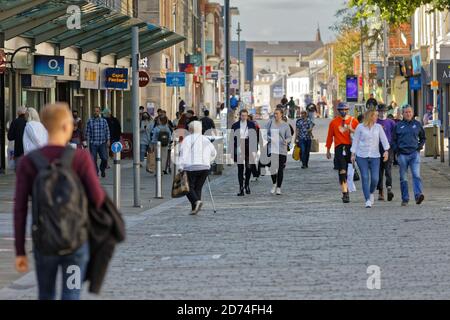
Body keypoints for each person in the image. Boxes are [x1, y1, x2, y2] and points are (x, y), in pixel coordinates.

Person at [14, 102, 105, 300]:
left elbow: (20, 209)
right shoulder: (80, 158)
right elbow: (97, 198)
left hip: (44, 242)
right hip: (75, 243)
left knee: (46, 293)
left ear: (44, 126)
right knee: (71, 293)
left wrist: (20, 251)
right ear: (67, 126)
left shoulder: (28, 162)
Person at [350, 109, 390, 208]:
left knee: (375, 179)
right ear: (370, 116)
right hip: (361, 156)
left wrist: (386, 151)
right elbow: (355, 141)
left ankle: (371, 192)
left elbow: (384, 140)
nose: (377, 117)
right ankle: (367, 199)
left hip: (375, 156)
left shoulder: (378, 127)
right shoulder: (360, 127)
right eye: (375, 115)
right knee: (365, 177)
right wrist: (353, 154)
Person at [178, 121, 217, 215]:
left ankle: (196, 202)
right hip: (205, 167)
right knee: (198, 188)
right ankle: (194, 208)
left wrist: (180, 166)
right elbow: (214, 153)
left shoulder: (187, 139)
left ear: (190, 129)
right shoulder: (206, 139)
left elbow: (183, 153)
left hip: (191, 167)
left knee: (187, 188)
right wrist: (209, 161)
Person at [392, 105, 426, 206]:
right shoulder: (398, 125)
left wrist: (419, 147)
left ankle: (418, 196)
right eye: (406, 112)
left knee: (416, 175)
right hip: (402, 155)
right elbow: (393, 140)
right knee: (403, 178)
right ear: (403, 114)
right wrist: (396, 150)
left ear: (412, 113)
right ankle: (405, 199)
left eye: (410, 112)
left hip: (414, 154)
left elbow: (423, 138)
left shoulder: (417, 124)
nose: (408, 114)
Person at [326, 102, 359, 203]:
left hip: (351, 149)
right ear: (338, 111)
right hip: (339, 148)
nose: (343, 112)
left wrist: (351, 129)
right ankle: (345, 193)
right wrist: (328, 149)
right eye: (341, 110)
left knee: (349, 173)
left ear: (348, 110)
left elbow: (360, 134)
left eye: (345, 110)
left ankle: (351, 180)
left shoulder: (353, 121)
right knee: (342, 171)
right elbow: (330, 136)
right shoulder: (333, 122)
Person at [232, 109, 258, 196]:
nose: (244, 117)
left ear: (247, 116)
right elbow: (232, 139)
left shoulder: (251, 124)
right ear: (240, 115)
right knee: (240, 168)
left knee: (249, 167)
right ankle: (241, 188)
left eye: (245, 115)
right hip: (239, 145)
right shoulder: (235, 125)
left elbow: (255, 137)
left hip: (249, 145)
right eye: (242, 115)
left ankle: (247, 185)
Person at [267, 107, 292, 195]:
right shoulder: (270, 123)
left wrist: (287, 141)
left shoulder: (285, 125)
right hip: (272, 148)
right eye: (274, 113)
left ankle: (278, 187)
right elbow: (265, 134)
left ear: (281, 114)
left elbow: (289, 137)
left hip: (282, 149)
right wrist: (270, 139)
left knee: (280, 169)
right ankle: (274, 183)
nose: (275, 115)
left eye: (277, 113)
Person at [376, 104, 396, 201]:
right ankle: (380, 191)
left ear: (387, 112)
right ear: (378, 112)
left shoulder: (391, 122)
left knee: (388, 170)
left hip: (388, 148)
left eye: (384, 111)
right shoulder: (375, 122)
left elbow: (395, 135)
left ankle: (389, 188)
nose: (382, 113)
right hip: (377, 149)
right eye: (381, 111)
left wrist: (393, 146)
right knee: (379, 171)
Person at [85, 107, 110, 178]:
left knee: (104, 158)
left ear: (100, 112)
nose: (96, 112)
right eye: (95, 111)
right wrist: (86, 143)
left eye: (97, 111)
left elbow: (107, 131)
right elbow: (87, 133)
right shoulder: (90, 121)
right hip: (93, 143)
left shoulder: (104, 121)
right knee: (93, 159)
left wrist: (108, 140)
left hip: (102, 143)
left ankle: (102, 169)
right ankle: (96, 172)